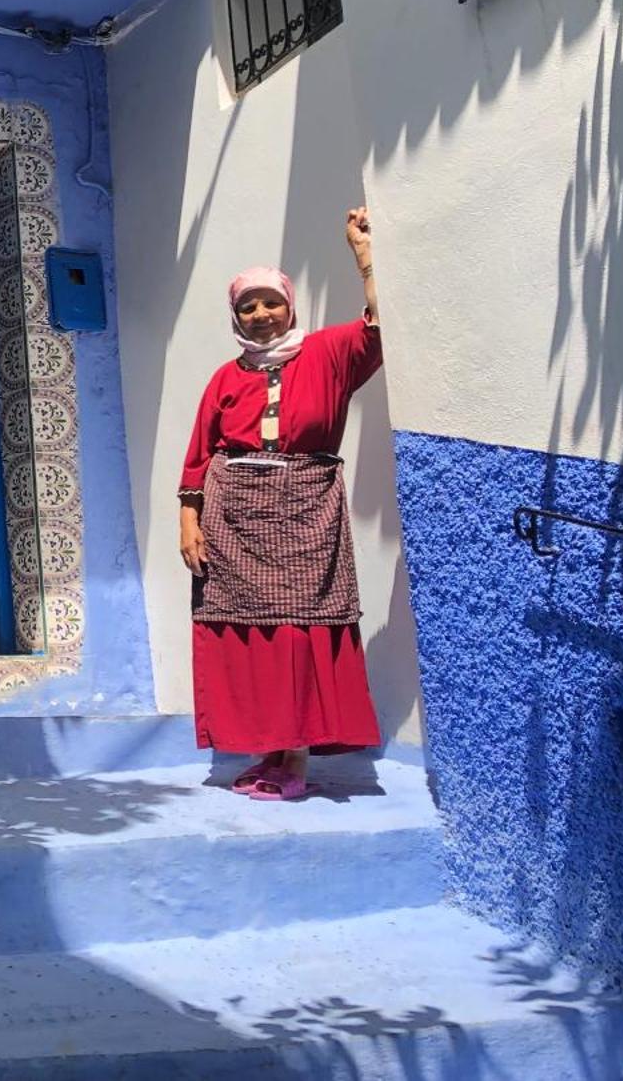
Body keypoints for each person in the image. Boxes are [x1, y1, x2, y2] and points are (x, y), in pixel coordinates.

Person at [177, 208, 383, 802]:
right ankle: (268, 747)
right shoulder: (223, 378)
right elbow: (198, 454)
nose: (261, 316)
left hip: (306, 512)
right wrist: (189, 521)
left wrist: (364, 258)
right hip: (233, 517)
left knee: (296, 631)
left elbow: (381, 324)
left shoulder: (330, 353)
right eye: (248, 307)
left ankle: (294, 757)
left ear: (290, 305)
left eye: (271, 303)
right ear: (235, 316)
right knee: (246, 632)